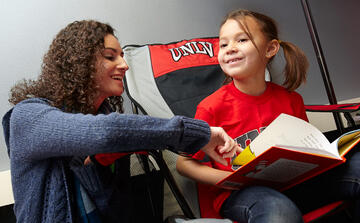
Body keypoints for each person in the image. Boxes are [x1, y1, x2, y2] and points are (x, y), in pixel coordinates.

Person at [2, 20, 240, 223]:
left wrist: (99, 166)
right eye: (110, 57)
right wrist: (198, 134)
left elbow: (115, 211)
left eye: (123, 56)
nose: (124, 65)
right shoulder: (27, 118)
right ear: (79, 63)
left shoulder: (108, 124)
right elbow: (103, 133)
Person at [176, 9, 360, 223]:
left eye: (242, 39)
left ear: (270, 48)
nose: (230, 49)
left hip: (294, 186)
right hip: (243, 193)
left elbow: (307, 152)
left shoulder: (291, 100)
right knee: (279, 212)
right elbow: (183, 163)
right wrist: (229, 179)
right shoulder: (211, 107)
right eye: (223, 44)